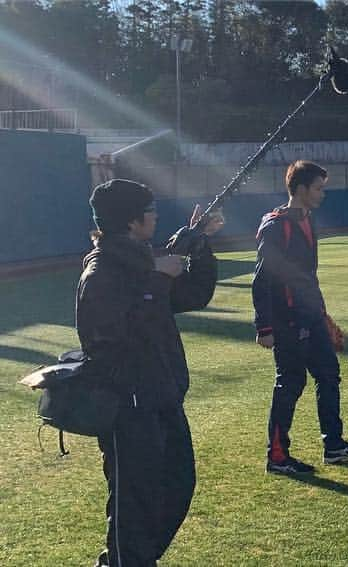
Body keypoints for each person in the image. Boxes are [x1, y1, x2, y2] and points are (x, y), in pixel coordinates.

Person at [77, 179, 223, 566]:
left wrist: (199, 246)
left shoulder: (141, 261)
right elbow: (108, 337)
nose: (157, 215)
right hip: (128, 409)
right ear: (132, 220)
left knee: (177, 487)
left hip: (163, 398)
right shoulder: (102, 269)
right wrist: (158, 278)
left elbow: (194, 295)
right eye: (151, 209)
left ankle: (126, 560)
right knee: (133, 503)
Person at [254, 160, 348, 475]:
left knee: (329, 374)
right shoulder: (277, 226)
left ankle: (333, 446)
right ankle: (277, 457)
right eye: (319, 188)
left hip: (312, 316)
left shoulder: (308, 219)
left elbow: (307, 277)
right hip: (287, 321)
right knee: (291, 383)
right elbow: (262, 279)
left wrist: (321, 312)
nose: (323, 193)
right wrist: (264, 327)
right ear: (301, 189)